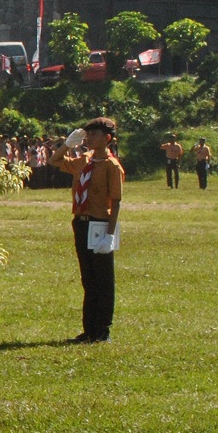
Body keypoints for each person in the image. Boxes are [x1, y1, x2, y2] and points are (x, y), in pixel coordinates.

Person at [55, 117, 124, 345]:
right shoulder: (84, 160)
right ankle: (89, 330)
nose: (89, 138)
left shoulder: (111, 166)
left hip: (100, 224)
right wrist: (67, 144)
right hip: (81, 222)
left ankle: (102, 330)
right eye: (88, 134)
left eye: (94, 134)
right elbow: (54, 161)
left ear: (107, 138)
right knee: (88, 278)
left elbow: (115, 202)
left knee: (103, 279)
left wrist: (110, 235)